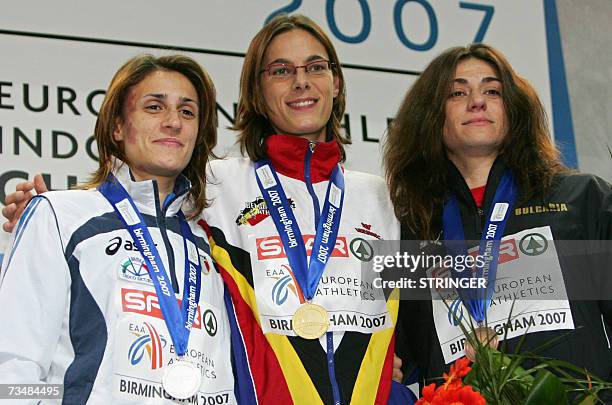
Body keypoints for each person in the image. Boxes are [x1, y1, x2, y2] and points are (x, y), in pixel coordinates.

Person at [2, 15, 411, 405]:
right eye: (281, 70)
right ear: (257, 90)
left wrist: (472, 280)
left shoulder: (379, 196)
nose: (301, 82)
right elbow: (15, 365)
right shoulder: (220, 187)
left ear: (336, 82)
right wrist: (46, 218)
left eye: (316, 67)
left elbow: (426, 304)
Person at [0, 54, 236, 403]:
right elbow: (13, 367)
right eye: (154, 107)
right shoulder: (60, 216)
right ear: (117, 126)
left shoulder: (213, 241)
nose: (173, 122)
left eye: (187, 112)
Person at [384, 44, 612, 398]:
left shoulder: (582, 200)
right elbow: (389, 353)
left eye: (492, 91)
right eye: (457, 93)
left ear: (514, 110)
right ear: (430, 116)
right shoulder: (408, 230)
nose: (477, 101)